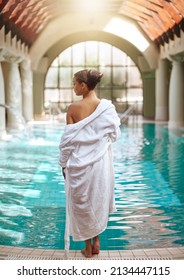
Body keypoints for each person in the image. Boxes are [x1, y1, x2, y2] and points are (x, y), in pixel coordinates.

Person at [59, 69, 120, 258]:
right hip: (100, 164)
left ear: (83, 85)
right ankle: (98, 242)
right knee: (98, 199)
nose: (74, 87)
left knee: (82, 203)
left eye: (75, 83)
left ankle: (87, 246)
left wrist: (63, 164)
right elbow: (115, 135)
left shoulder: (73, 109)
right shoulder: (107, 108)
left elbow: (67, 143)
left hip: (79, 165)